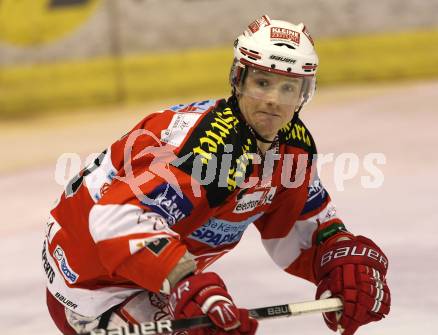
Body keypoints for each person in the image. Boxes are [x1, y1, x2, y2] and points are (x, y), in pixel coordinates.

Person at [43, 15, 390, 335]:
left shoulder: (292, 148)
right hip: (94, 286)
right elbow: (115, 219)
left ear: (304, 95)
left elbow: (298, 230)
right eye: (262, 82)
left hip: (146, 276)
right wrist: (184, 282)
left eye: (288, 88)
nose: (273, 99)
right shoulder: (207, 145)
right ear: (238, 79)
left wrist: (337, 258)